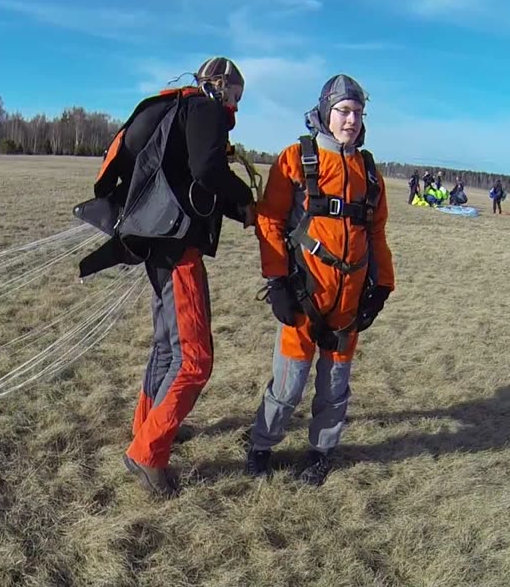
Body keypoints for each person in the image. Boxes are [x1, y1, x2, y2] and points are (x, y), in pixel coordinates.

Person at [77, 56, 255, 497]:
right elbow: (207, 171)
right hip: (177, 247)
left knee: (166, 346)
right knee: (194, 359)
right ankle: (148, 452)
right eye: (236, 95)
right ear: (223, 87)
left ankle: (148, 427)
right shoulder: (205, 109)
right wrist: (247, 199)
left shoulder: (176, 106)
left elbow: (187, 174)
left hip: (158, 240)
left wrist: (235, 209)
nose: (235, 105)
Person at [244, 74, 396, 486]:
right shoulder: (296, 157)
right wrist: (277, 282)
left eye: (358, 113)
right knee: (289, 383)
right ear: (326, 112)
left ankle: (321, 452)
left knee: (334, 385)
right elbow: (270, 220)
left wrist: (382, 288)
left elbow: (376, 232)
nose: (351, 120)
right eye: (343, 111)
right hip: (304, 291)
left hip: (348, 302)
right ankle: (261, 445)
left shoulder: (369, 170)